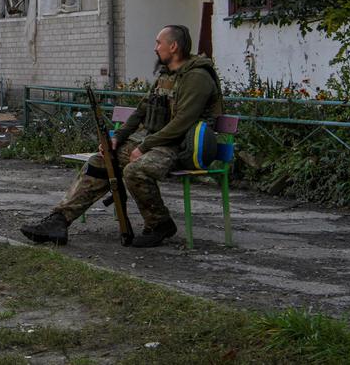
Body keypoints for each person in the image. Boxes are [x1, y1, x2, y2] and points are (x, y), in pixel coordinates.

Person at [20, 24, 222, 249]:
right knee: (101, 160)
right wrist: (117, 137)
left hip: (180, 146)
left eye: (158, 43)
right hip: (156, 142)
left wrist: (144, 146)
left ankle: (160, 224)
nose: (155, 48)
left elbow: (182, 122)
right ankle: (59, 221)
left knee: (136, 170)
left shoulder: (197, 77)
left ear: (173, 46)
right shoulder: (167, 76)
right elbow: (142, 110)